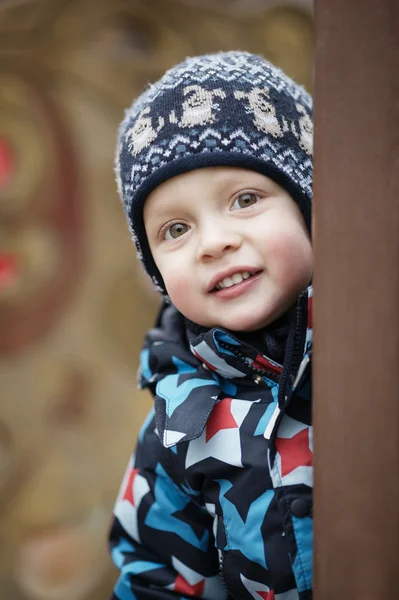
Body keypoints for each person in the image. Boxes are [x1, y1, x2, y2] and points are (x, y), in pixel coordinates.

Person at [109, 51, 314, 600]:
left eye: (245, 199)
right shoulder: (179, 419)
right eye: (175, 229)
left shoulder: (374, 350)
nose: (213, 242)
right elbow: (155, 575)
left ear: (311, 208)